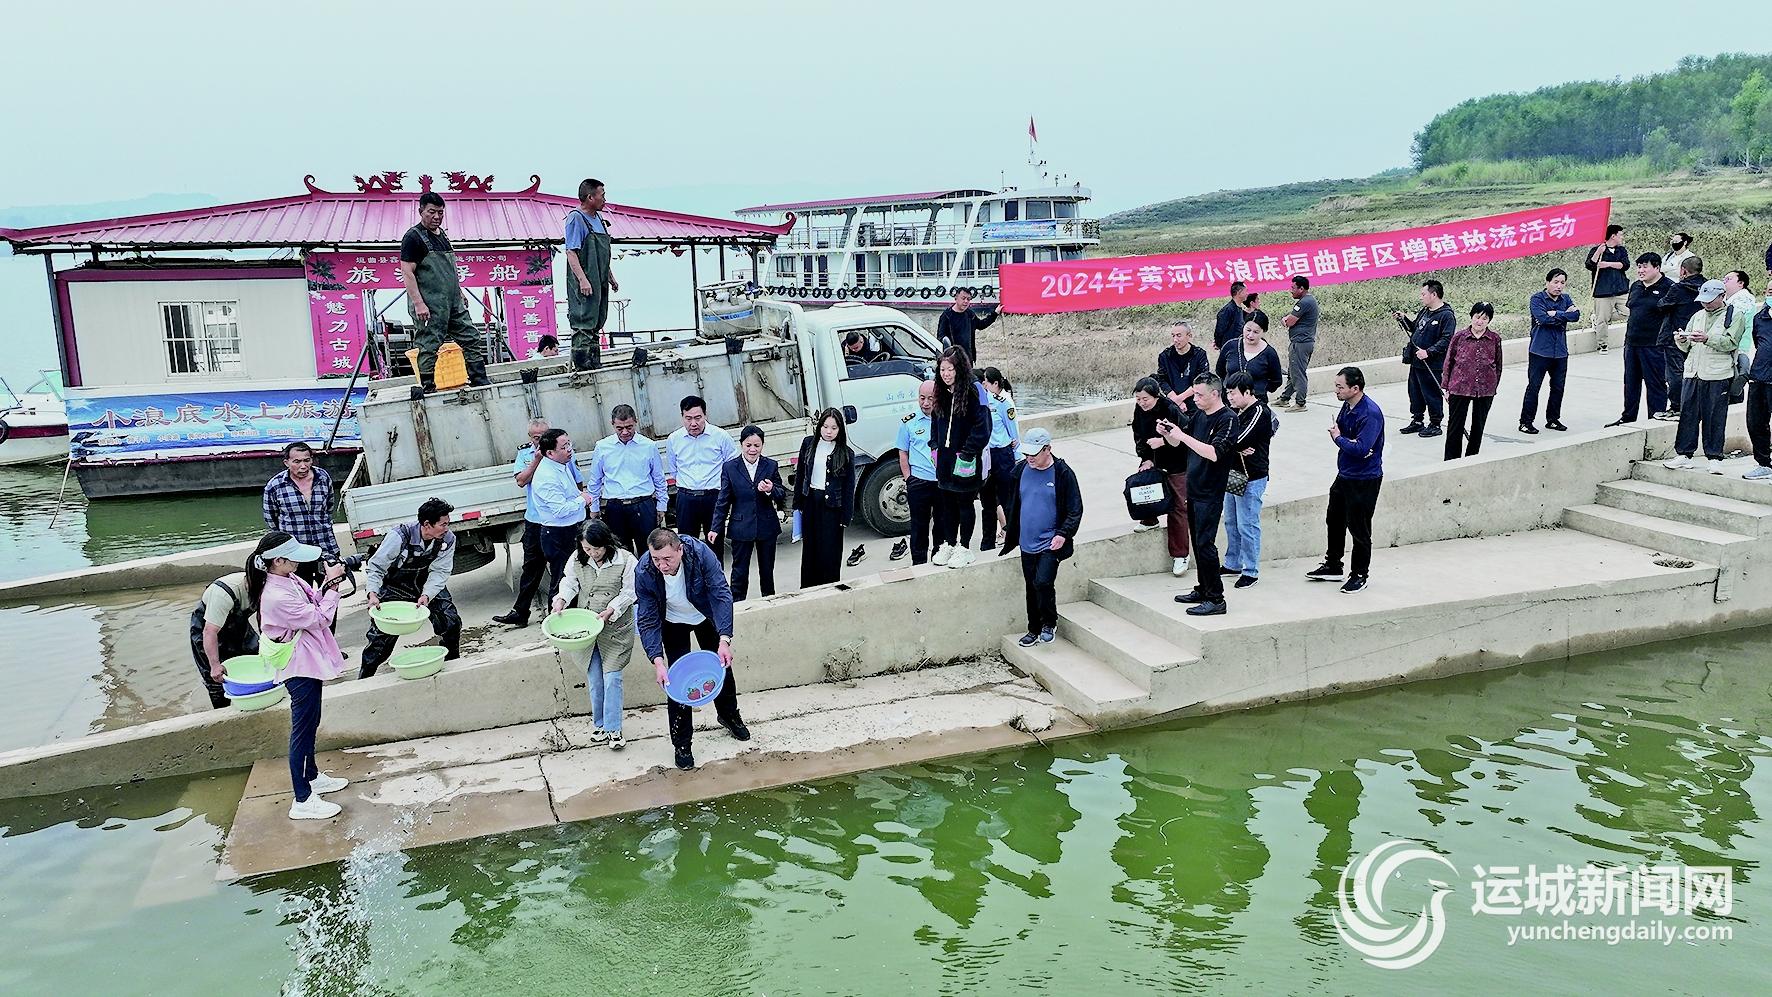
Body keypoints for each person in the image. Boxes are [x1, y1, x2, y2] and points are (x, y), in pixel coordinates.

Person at [246, 532, 349, 821]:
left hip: (307, 659)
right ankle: (302, 799)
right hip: (297, 666)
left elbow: (313, 602)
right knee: (302, 730)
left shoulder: (289, 579)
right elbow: (320, 618)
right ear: (277, 560)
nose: (298, 561)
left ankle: (312, 777)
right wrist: (333, 588)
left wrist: (327, 583)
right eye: (292, 557)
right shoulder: (276, 596)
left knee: (312, 720)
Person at [634, 529, 745, 771]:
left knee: (722, 666)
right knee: (676, 681)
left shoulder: (700, 554)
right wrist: (657, 660)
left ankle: (729, 715)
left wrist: (724, 639)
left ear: (680, 550)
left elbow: (720, 593)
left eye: (667, 559)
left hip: (704, 614)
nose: (662, 565)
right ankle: (682, 743)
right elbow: (647, 617)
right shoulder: (644, 571)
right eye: (656, 559)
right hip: (672, 621)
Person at [552, 519, 637, 750]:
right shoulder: (577, 558)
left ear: (606, 543)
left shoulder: (626, 560)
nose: (592, 553)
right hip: (588, 630)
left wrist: (612, 609)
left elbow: (630, 592)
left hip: (616, 629)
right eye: (587, 548)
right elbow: (569, 583)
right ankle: (599, 725)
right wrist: (561, 600)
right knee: (595, 680)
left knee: (612, 679)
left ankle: (614, 729)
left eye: (596, 549)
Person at [495, 417, 586, 628]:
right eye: (536, 437)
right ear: (530, 437)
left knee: (561, 570)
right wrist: (538, 458)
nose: (540, 440)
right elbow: (521, 480)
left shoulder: (563, 454)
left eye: (544, 436)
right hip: (536, 519)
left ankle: (556, 613)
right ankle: (521, 611)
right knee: (532, 567)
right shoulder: (527, 454)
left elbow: (575, 481)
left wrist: (581, 503)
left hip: (560, 522)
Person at [997, 428, 1083, 646]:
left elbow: (1075, 509)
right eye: (1027, 453)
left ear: (1048, 449)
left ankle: (1049, 623)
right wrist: (1009, 527)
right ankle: (1033, 629)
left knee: (1043, 582)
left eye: (1034, 453)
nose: (1030, 458)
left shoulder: (1063, 473)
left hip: (1050, 543)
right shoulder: (1020, 470)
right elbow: (1012, 502)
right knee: (1031, 586)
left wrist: (1063, 534)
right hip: (1026, 542)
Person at [360, 497, 461, 680]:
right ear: (427, 524)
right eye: (443, 524)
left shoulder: (448, 539)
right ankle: (364, 680)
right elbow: (376, 567)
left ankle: (453, 667)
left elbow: (440, 571)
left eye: (448, 523)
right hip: (395, 587)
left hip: (426, 584)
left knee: (450, 621)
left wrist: (427, 595)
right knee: (380, 640)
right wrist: (372, 594)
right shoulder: (399, 536)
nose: (447, 528)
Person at [1161, 374, 1236, 616]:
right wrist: (1168, 433)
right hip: (1193, 489)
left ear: (1215, 393)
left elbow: (1214, 453)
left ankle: (1216, 598)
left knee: (1205, 544)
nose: (1195, 399)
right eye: (1194, 394)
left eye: (1199, 395)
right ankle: (1204, 588)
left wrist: (1182, 436)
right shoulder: (1199, 416)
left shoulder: (1228, 419)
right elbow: (1179, 444)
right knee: (1197, 543)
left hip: (1210, 492)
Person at [399, 191, 489, 391]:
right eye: (431, 212)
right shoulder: (413, 237)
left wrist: (460, 292)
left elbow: (449, 270)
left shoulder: (443, 235)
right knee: (428, 345)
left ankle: (479, 380)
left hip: (453, 302)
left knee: (471, 337)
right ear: (421, 211)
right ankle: (428, 386)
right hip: (429, 305)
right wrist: (418, 303)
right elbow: (407, 271)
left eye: (440, 212)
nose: (436, 217)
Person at [1307, 366, 1384, 594]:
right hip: (1345, 474)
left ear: (1355, 388)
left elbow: (1361, 449)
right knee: (1334, 519)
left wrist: (1339, 438)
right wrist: (1344, 440)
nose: (1336, 390)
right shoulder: (1347, 405)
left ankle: (1360, 574)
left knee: (1359, 528)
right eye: (1336, 386)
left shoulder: (1370, 413)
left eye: (1340, 387)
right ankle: (1333, 564)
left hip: (1364, 478)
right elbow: (1351, 441)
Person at [1665, 280, 1749, 474]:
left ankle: (1714, 457)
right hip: (1692, 372)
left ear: (1722, 296)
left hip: (1718, 374)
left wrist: (1707, 338)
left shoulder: (1734, 315)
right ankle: (1684, 454)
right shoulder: (1697, 315)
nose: (1706, 304)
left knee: (1715, 417)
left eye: (1710, 300)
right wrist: (1681, 340)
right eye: (1703, 300)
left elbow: (1731, 342)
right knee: (1688, 415)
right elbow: (1687, 347)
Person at [930, 347, 991, 567]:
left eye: (950, 369)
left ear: (960, 368)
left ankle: (964, 547)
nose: (945, 374)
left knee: (965, 503)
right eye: (942, 369)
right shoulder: (941, 391)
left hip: (965, 458)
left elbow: (983, 427)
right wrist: (934, 447)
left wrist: (967, 452)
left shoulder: (974, 390)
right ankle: (949, 543)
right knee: (947, 505)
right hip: (944, 460)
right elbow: (935, 422)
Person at [711, 425, 784, 600]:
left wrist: (770, 489)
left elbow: (781, 493)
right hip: (741, 526)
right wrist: (715, 528)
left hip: (766, 526)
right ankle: (737, 603)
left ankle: (769, 600)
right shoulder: (730, 467)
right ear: (741, 444)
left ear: (762, 445)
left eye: (757, 445)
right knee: (739, 571)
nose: (752, 449)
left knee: (767, 570)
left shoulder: (771, 465)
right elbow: (723, 500)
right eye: (748, 445)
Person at [587, 404, 667, 555]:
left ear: (636, 422)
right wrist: (594, 508)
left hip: (643, 505)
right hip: (615, 508)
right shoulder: (602, 447)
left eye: (629, 427)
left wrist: (662, 505)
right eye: (620, 428)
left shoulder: (648, 446)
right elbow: (595, 480)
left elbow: (659, 478)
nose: (625, 432)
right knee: (620, 553)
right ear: (612, 424)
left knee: (649, 551)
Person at [1132, 377, 1192, 577]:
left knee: (1178, 507)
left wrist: (1163, 442)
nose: (1142, 403)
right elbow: (1139, 436)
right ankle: (1150, 519)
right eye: (1138, 399)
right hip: (1154, 460)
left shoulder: (1170, 409)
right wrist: (1146, 459)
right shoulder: (1139, 410)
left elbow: (1185, 436)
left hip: (1177, 462)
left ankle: (1181, 555)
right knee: (1143, 487)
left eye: (1145, 399)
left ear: (1156, 396)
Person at [1218, 371, 1274, 588]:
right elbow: (1219, 436)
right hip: (1233, 474)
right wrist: (1234, 448)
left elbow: (1236, 440)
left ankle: (1250, 571)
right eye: (1227, 393)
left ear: (1248, 392)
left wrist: (1231, 446)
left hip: (1252, 477)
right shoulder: (1235, 411)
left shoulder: (1259, 412)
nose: (1229, 397)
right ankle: (1233, 563)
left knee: (1247, 525)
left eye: (1233, 393)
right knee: (1231, 522)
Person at [668, 394, 738, 563]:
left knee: (715, 545)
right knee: (686, 546)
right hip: (686, 499)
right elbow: (674, 470)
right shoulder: (674, 439)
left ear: (705, 415)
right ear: (682, 417)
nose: (693, 423)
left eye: (698, 418)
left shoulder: (720, 436)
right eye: (688, 418)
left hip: (713, 498)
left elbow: (732, 467)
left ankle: (716, 578)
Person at [794, 408, 855, 586]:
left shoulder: (846, 452)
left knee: (830, 550)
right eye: (825, 426)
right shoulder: (808, 444)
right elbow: (800, 475)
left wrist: (846, 516)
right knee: (810, 548)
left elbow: (849, 486)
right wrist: (797, 504)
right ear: (819, 426)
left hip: (832, 508)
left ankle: (830, 586)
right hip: (811, 502)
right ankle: (808, 588)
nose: (829, 432)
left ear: (840, 429)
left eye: (834, 428)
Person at [1611, 253, 1674, 426]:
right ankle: (1628, 417)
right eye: (1639, 267)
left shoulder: (1669, 287)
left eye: (1645, 266)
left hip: (1654, 345)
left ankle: (1655, 419)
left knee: (1655, 384)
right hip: (1632, 343)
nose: (1641, 270)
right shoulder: (1636, 286)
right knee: (1630, 383)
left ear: (1657, 267)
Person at [531, 428, 592, 600]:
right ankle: (557, 615)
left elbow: (569, 493)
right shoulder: (547, 476)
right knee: (562, 582)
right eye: (564, 447)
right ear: (550, 453)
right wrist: (583, 500)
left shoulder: (561, 465)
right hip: (559, 534)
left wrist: (580, 496)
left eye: (569, 444)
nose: (569, 450)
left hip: (572, 529)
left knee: (577, 579)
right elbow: (560, 510)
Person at [564, 178, 618, 372]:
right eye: (602, 195)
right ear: (590, 197)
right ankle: (582, 366)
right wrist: (582, 280)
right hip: (585, 279)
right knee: (584, 320)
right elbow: (571, 252)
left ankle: (594, 363)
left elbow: (603, 254)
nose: (605, 199)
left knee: (597, 319)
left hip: (600, 278)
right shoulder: (576, 218)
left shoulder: (600, 220)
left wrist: (610, 276)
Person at [188, 569, 259, 709]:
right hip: (207, 628)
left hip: (238, 623)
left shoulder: (270, 588)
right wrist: (215, 665)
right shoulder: (223, 594)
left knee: (256, 659)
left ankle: (252, 704)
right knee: (216, 679)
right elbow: (209, 632)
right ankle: (223, 713)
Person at [1392, 280, 1455, 439]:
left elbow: (1446, 340)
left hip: (1432, 364)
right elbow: (1414, 328)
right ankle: (1417, 420)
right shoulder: (1425, 311)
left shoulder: (1446, 315)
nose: (1421, 297)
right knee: (1415, 393)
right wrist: (1403, 319)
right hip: (1416, 362)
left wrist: (1429, 352)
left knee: (1432, 394)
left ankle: (1435, 424)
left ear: (1434, 295)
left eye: (1423, 294)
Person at [1519, 270, 1580, 434]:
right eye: (1555, 282)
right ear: (1547, 282)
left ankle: (1553, 419)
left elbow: (1576, 316)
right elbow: (1543, 319)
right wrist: (1564, 315)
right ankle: (1525, 422)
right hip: (1540, 351)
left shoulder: (1566, 299)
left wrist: (1556, 314)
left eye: (1562, 283)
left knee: (1558, 387)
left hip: (1560, 351)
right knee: (1534, 387)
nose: (1559, 286)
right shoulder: (1537, 299)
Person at [1444, 302, 1504, 460]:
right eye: (1477, 317)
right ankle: (1451, 461)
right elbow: (1449, 362)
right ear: (1471, 317)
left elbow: (1498, 365)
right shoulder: (1459, 337)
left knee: (1478, 426)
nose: (1480, 321)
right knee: (1455, 426)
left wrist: (1493, 386)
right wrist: (1447, 387)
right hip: (1459, 387)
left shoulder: (1494, 339)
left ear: (1489, 320)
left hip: (1485, 390)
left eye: (1484, 318)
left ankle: (1472, 458)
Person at [262, 442, 340, 564]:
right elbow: (271, 521)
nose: (303, 466)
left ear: (312, 460)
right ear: (286, 463)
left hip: (326, 546)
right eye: (297, 462)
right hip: (295, 553)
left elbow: (329, 508)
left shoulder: (323, 477)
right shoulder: (275, 486)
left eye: (306, 460)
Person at [897, 380, 942, 566]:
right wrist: (909, 478)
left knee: (942, 525)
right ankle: (919, 563)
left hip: (941, 482)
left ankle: (939, 559)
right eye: (922, 398)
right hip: (919, 482)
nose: (926, 403)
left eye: (930, 398)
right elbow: (903, 452)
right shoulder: (909, 422)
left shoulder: (946, 420)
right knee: (919, 526)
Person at [1657, 255, 1707, 420]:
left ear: (1683, 271)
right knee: (1696, 371)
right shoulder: (1706, 287)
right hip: (1698, 335)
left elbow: (1662, 305)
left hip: (1676, 336)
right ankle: (1696, 404)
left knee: (1675, 373)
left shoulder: (1678, 288)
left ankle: (1677, 406)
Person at [979, 367, 1021, 552]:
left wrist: (1017, 455)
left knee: (1007, 499)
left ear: (995, 383)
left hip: (1002, 454)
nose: (983, 384)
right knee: (987, 501)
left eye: (986, 381)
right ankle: (987, 541)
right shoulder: (982, 401)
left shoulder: (1003, 402)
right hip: (986, 455)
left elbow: (1013, 430)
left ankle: (1013, 537)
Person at [1215, 316, 1283, 403]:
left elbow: (1276, 380)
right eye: (1248, 330)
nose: (1250, 335)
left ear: (1263, 332)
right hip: (1229, 400)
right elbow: (1220, 371)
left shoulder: (1269, 353)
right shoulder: (1230, 346)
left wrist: (1260, 389)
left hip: (1257, 400)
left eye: (1256, 332)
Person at [1585, 223, 1630, 353]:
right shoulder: (1597, 249)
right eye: (1620, 235)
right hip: (1602, 291)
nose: (1622, 237)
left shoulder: (1621, 250)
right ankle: (1603, 344)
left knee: (1629, 312)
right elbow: (1590, 265)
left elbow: (1625, 265)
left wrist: (1608, 264)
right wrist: (1598, 252)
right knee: (1602, 320)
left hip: (1621, 290)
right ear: (1613, 236)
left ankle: (1598, 318)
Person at [1277, 275, 1318, 412]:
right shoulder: (1308, 300)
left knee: (1298, 373)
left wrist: (1285, 320)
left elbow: (1289, 322)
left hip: (1300, 343)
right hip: (1302, 342)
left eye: (1293, 288)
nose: (1291, 290)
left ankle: (1300, 403)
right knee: (1293, 371)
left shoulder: (1304, 302)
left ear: (1301, 289)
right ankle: (1285, 398)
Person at [1152, 321, 1212, 416]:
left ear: (1189, 336)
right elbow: (1162, 380)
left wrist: (1179, 399)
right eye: (1173, 336)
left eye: (1179, 336)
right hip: (1172, 402)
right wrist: (1175, 400)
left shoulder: (1199, 354)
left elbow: (1202, 379)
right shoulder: (1165, 356)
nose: (1175, 339)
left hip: (1195, 403)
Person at [1746, 279, 1772, 482]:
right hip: (1759, 378)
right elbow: (1759, 343)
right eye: (1769, 290)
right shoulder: (1760, 318)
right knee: (1755, 422)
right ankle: (1764, 464)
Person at [936, 287, 999, 362]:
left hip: (968, 358)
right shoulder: (946, 316)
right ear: (956, 298)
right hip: (953, 359)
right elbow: (941, 338)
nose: (966, 301)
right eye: (963, 298)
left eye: (968, 299)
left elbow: (981, 325)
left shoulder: (970, 314)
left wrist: (995, 313)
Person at [1213, 282, 1247, 351]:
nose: (1247, 294)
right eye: (1245, 291)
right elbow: (1220, 329)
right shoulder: (1228, 310)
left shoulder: (1239, 309)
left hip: (1239, 347)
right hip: (1229, 349)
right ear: (1239, 293)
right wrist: (1218, 344)